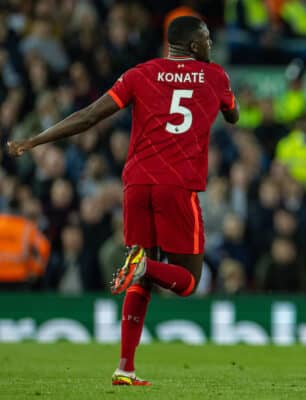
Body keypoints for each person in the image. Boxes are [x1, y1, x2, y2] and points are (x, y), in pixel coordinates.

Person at [7, 16, 239, 386]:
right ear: (194, 46)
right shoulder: (216, 77)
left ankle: (125, 368)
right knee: (190, 282)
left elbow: (88, 117)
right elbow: (233, 116)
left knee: (140, 274)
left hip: (136, 185)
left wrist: (35, 140)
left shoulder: (139, 73)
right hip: (177, 186)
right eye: (207, 38)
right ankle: (143, 268)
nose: (210, 43)